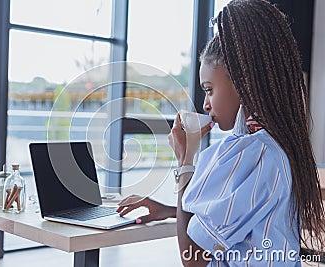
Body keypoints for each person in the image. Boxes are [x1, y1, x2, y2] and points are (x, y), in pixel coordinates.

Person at [116, 0, 325, 266]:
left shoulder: (249, 153)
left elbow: (193, 259)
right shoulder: (274, 144)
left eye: (209, 89)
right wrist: (170, 211)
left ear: (241, 81)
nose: (205, 104)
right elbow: (242, 216)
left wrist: (186, 159)